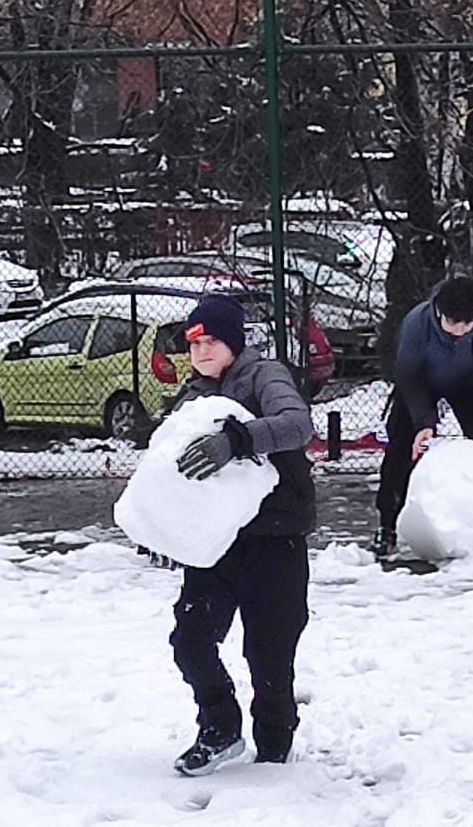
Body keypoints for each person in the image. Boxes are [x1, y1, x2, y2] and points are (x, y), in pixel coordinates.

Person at [165, 293, 315, 775]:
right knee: (191, 637)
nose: (202, 351)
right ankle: (220, 729)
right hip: (217, 543)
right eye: (194, 344)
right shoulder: (191, 397)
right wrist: (161, 529)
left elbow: (297, 425)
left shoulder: (264, 376)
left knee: (269, 654)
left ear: (233, 341)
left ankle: (274, 749)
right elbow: (170, 470)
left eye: (211, 341)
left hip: (275, 537)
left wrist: (239, 439)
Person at [373, 275, 473, 556]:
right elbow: (408, 377)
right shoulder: (416, 323)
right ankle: (387, 524)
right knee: (401, 449)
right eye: (452, 324)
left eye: (467, 325)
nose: (460, 331)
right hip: (420, 383)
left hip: (468, 384)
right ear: (438, 312)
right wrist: (424, 423)